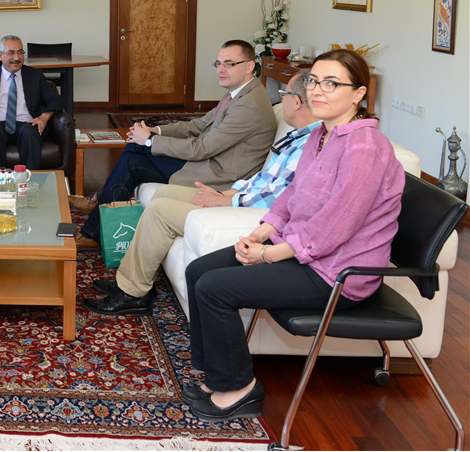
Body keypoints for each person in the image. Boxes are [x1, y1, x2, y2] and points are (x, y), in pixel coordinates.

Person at [183, 49, 404, 422]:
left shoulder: (365, 147)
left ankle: (240, 389)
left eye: (331, 83)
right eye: (314, 81)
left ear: (358, 93)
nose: (317, 90)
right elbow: (293, 193)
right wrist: (261, 232)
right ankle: (216, 376)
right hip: (303, 252)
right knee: (198, 271)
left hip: (336, 273)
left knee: (214, 289)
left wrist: (267, 255)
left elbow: (335, 226)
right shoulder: (321, 133)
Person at [84, 74, 319, 316]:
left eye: (284, 94)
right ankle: (135, 277)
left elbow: (277, 199)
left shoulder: (310, 145)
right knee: (162, 192)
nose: (280, 100)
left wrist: (225, 200)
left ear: (297, 102)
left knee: (159, 210)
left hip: (249, 212)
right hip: (239, 196)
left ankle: (132, 294)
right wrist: (227, 192)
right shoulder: (298, 135)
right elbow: (262, 180)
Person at [74, 40, 277, 251]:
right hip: (208, 163)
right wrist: (155, 131)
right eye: (218, 63)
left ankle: (97, 216)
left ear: (249, 66)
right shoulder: (238, 93)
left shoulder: (249, 105)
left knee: (135, 156)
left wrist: (150, 140)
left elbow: (201, 149)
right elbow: (199, 125)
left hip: (218, 175)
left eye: (229, 64)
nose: (221, 70)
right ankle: (98, 215)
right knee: (134, 152)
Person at [0, 35, 64, 170]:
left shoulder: (35, 75)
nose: (17, 57)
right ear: (0, 55)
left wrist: (44, 116)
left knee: (30, 133)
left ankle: (30, 180)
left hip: (27, 123)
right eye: (11, 53)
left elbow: (56, 100)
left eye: (20, 52)